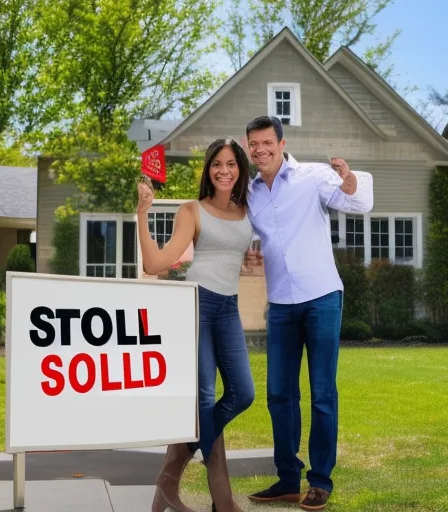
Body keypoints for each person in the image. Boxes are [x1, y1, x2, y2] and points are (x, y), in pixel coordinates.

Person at [244, 116, 373, 511]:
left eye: (267, 142)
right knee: (279, 394)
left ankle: (319, 481)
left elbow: (357, 202)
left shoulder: (313, 176)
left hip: (321, 298)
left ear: (282, 143)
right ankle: (287, 479)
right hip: (281, 302)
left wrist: (349, 181)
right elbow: (250, 234)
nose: (260, 150)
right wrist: (250, 250)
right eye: (253, 144)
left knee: (321, 394)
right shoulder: (250, 193)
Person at [137, 138, 256, 512]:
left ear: (240, 169)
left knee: (243, 393)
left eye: (231, 164)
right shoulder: (192, 210)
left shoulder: (249, 209)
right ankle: (221, 496)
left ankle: (169, 473)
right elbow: (155, 265)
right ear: (208, 169)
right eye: (217, 164)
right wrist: (142, 213)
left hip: (229, 307)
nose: (224, 170)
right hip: (198, 303)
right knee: (204, 397)